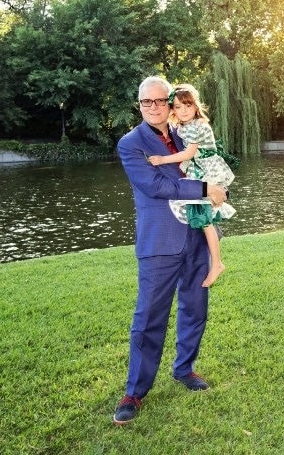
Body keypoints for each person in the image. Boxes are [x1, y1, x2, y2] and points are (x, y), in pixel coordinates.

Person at [113, 76, 229, 426]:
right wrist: (205, 186)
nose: (152, 107)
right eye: (145, 102)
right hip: (159, 242)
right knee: (149, 318)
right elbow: (155, 185)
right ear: (140, 105)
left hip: (195, 236)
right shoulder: (131, 144)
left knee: (195, 308)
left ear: (170, 101)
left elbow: (210, 160)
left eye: (158, 101)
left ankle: (184, 369)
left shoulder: (187, 129)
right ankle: (134, 391)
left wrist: (217, 187)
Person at [147, 84, 237, 289]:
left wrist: (162, 160)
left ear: (196, 106)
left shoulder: (199, 126)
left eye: (187, 105)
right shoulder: (183, 126)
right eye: (178, 107)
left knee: (204, 218)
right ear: (173, 110)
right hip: (198, 169)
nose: (184, 110)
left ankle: (217, 263)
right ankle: (205, 257)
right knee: (199, 214)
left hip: (208, 170)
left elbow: (187, 154)